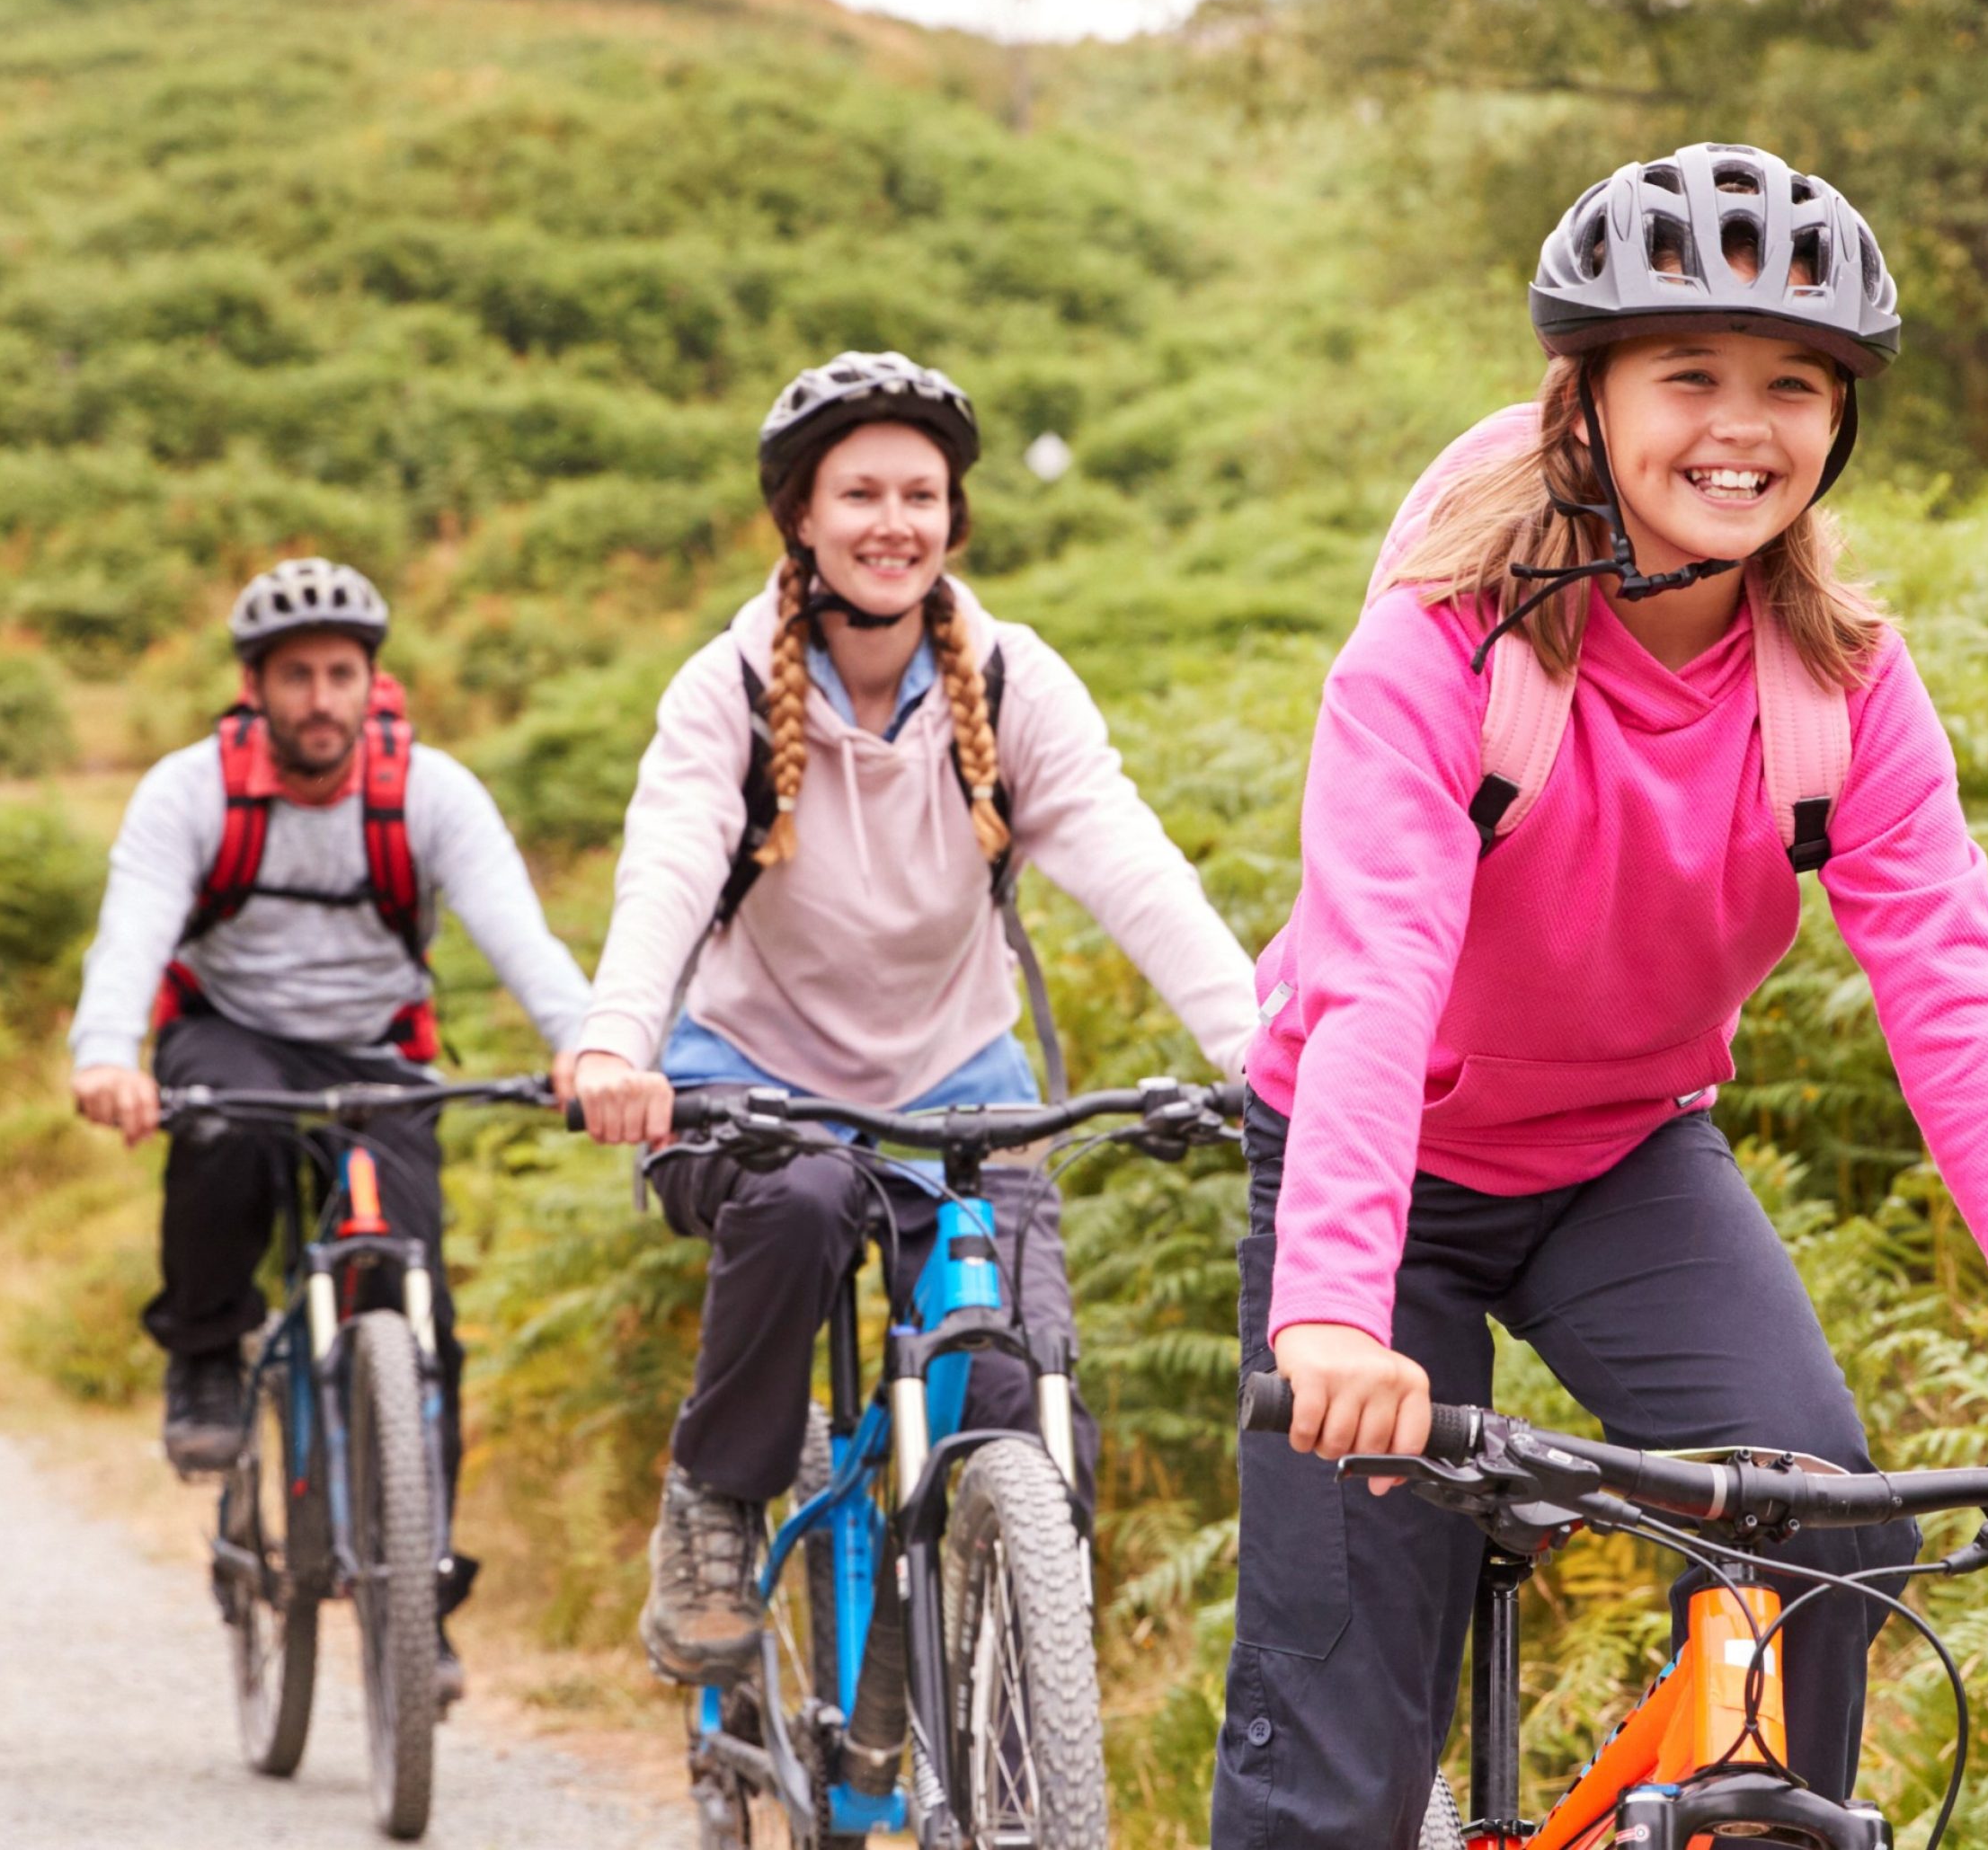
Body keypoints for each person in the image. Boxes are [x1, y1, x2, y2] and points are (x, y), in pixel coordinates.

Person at [1219, 144, 1988, 1847]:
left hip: (1622, 1159)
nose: (1741, 423)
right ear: (1586, 400)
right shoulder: (1438, 653)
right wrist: (1329, 1316)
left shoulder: (1842, 688)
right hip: (1376, 1187)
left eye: (1795, 385)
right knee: (1337, 1744)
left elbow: (1962, 1019)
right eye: (1689, 373)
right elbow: (1376, 985)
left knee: (1820, 1522)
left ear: (1843, 420)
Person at [569, 350, 1261, 1697]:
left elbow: (1131, 863)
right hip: (748, 1072)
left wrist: (1259, 1045)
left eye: (922, 495)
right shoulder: (723, 689)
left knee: (1022, 1400)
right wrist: (611, 1041)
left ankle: (967, 1666)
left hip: (958, 1078)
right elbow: (665, 865)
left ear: (954, 517)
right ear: (801, 519)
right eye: (860, 493)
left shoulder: (1011, 685)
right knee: (807, 1198)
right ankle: (715, 1501)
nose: (895, 522)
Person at [68, 556, 590, 1703]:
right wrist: (107, 1058)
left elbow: (520, 935)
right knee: (221, 1139)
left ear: (373, 683)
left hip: (375, 1054)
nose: (319, 699)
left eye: (340, 675)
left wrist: (586, 1045)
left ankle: (420, 1617)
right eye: (295, 676)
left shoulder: (432, 793)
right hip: (233, 1035)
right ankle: (206, 1355)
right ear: (253, 688)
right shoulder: (189, 791)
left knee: (421, 1318)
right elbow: (132, 937)